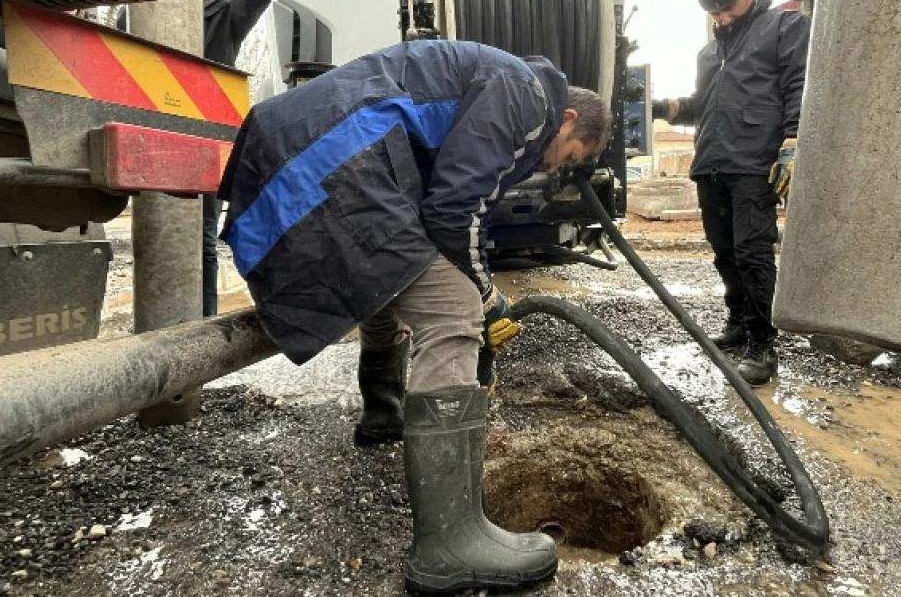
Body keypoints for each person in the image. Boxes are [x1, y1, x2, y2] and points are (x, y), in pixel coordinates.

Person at [217, 39, 611, 594]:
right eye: (569, 154)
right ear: (568, 117)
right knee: (451, 307)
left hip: (297, 143)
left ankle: (385, 410)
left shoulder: (500, 83)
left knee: (391, 274)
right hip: (336, 155)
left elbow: (435, 208)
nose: (557, 165)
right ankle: (449, 545)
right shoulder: (526, 96)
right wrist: (483, 295)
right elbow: (454, 213)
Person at [652, 0, 809, 385]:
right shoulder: (710, 53)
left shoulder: (783, 28)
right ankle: (739, 322)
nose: (721, 17)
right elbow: (705, 104)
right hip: (712, 162)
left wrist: (793, 144)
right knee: (724, 251)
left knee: (753, 252)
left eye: (727, 8)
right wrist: (665, 108)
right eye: (713, 13)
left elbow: (800, 87)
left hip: (755, 163)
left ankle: (763, 343)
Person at [201, 0, 299, 317]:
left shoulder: (221, 17)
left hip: (204, 150)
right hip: (140, 138)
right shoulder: (136, 11)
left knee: (200, 242)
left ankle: (193, 340)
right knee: (155, 241)